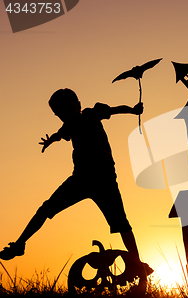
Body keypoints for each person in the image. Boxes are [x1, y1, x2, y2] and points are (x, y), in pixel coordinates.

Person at [0, 88, 153, 278]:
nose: (65, 115)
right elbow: (60, 134)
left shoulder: (92, 113)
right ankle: (20, 244)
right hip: (81, 179)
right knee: (46, 209)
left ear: (79, 105)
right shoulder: (69, 125)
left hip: (104, 180)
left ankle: (137, 264)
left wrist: (133, 109)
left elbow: (114, 109)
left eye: (68, 109)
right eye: (60, 114)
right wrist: (51, 140)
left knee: (122, 224)